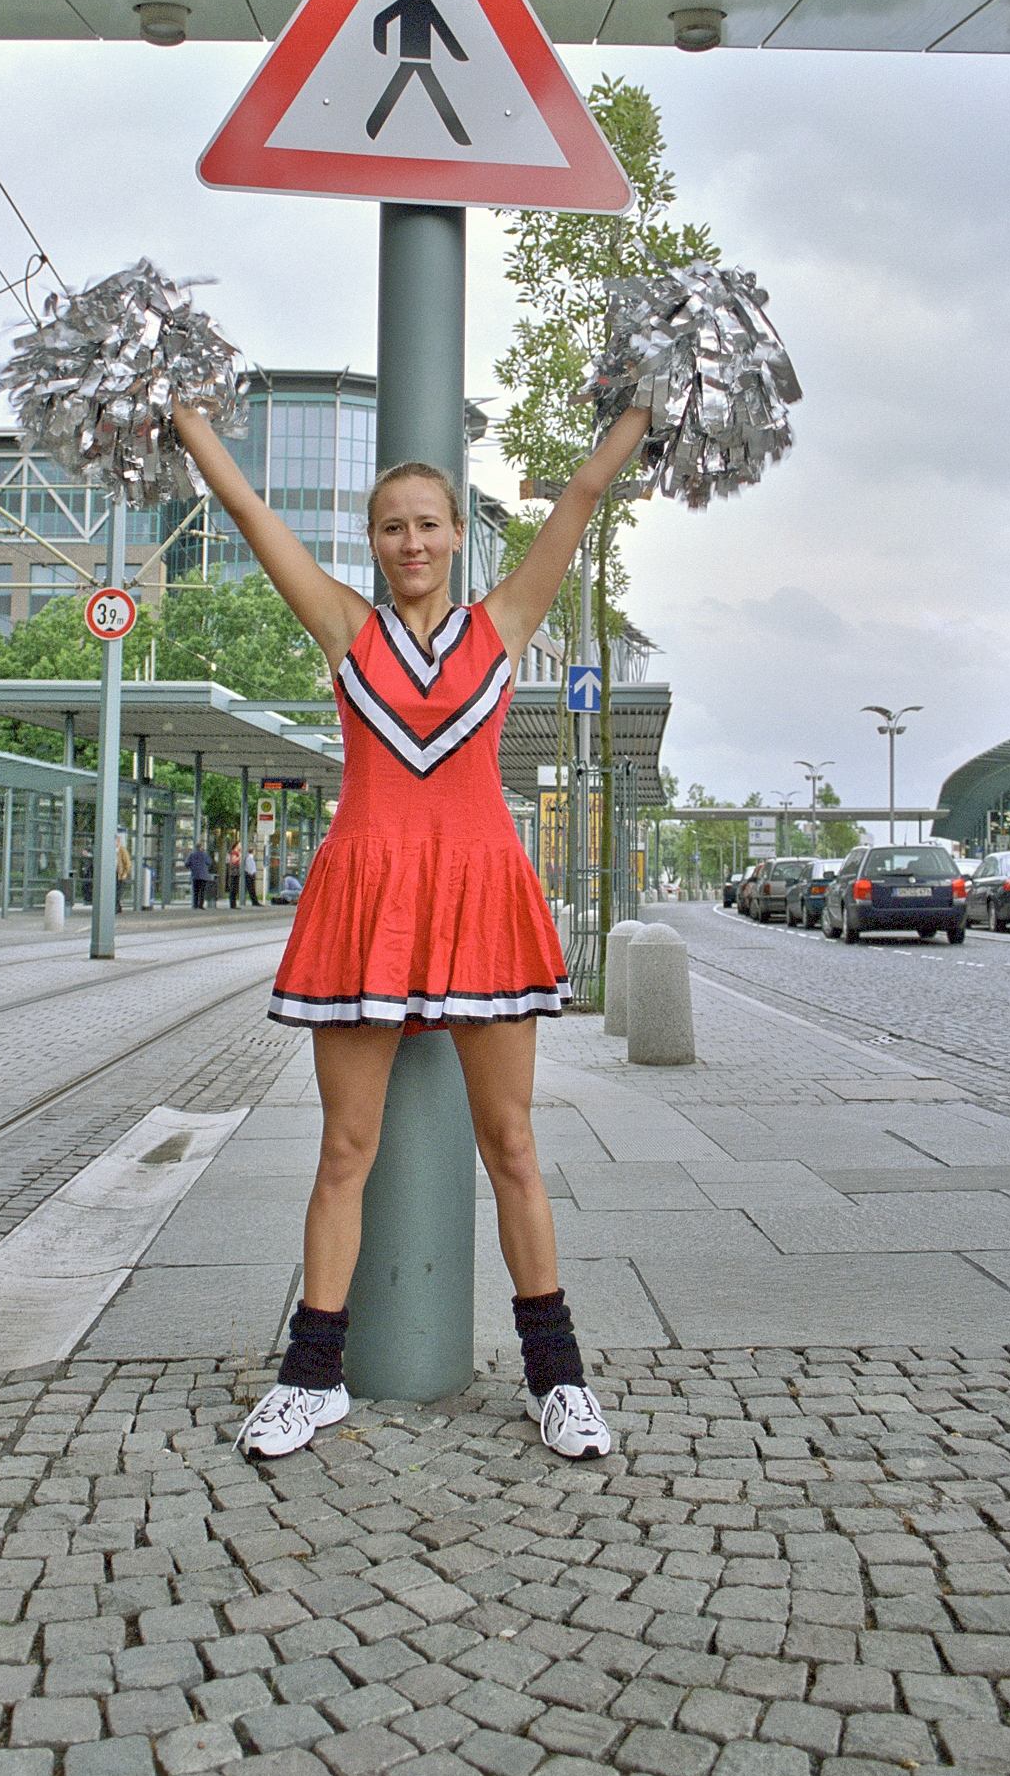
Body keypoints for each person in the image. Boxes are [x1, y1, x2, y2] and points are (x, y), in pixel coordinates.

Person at [170, 390, 652, 1463]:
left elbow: (579, 495)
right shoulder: (344, 626)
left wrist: (643, 411)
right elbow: (252, 515)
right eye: (393, 526)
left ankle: (556, 1377)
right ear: (374, 542)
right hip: (371, 903)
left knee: (514, 1145)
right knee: (345, 1148)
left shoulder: (504, 625)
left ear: (456, 535)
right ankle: (312, 1379)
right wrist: (188, 421)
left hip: (481, 895)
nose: (412, 541)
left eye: (430, 523)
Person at [185, 841, 212, 910]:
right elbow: (209, 862)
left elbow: (187, 863)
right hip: (203, 875)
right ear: (201, 847)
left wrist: (192, 868)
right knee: (202, 891)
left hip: (195, 875)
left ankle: (195, 905)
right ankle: (201, 905)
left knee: (195, 891)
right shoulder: (205, 855)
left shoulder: (192, 855)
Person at [114, 832, 132, 913]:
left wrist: (125, 873)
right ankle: (116, 906)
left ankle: (117, 907)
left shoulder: (122, 850)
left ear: (118, 842)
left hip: (119, 874)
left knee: (118, 891)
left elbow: (127, 863)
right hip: (111, 873)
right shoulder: (110, 850)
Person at [242, 842, 259, 907]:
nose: (255, 852)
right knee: (251, 888)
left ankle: (255, 901)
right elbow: (249, 866)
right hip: (250, 875)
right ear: (252, 851)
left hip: (251, 874)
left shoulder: (251, 858)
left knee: (252, 888)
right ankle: (254, 901)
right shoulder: (249, 858)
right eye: (254, 851)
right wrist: (251, 873)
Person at [228, 841, 242, 910]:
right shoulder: (234, 852)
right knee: (233, 887)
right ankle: (232, 904)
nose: (240, 846)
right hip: (234, 870)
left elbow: (239, 862)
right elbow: (233, 860)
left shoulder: (237, 852)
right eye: (239, 845)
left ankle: (234, 903)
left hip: (236, 869)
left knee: (235, 887)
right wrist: (239, 856)